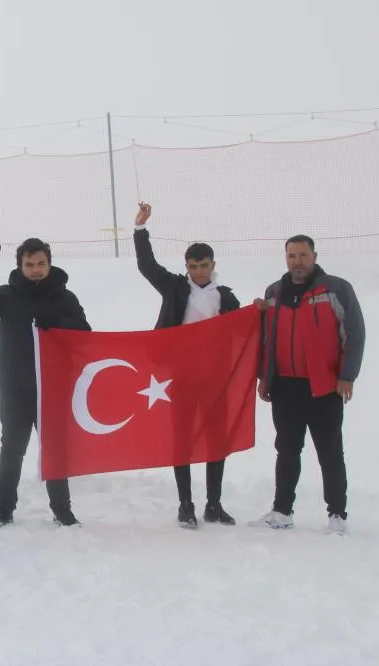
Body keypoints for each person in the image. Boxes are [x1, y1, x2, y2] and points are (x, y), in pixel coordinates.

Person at [131, 201, 240, 529]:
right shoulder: (176, 287)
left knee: (216, 440)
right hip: (181, 378)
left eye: (203, 265)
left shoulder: (226, 297)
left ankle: (214, 504)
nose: (198, 272)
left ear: (212, 264)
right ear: (187, 267)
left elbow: (246, 329)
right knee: (182, 439)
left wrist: (262, 310)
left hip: (214, 380)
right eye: (192, 266)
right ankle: (185, 505)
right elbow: (147, 266)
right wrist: (140, 229)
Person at [0, 238, 90, 529]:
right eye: (29, 265)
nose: (36, 270)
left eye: (41, 264)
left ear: (49, 264)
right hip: (15, 386)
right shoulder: (8, 295)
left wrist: (57, 320)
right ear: (20, 266)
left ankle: (62, 510)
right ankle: (4, 509)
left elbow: (85, 334)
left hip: (52, 387)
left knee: (54, 448)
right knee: (12, 447)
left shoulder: (65, 298)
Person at [251, 234, 365, 536]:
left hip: (324, 387)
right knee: (287, 449)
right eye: (291, 256)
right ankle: (282, 510)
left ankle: (337, 514)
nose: (297, 262)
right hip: (286, 387)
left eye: (302, 255)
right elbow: (266, 339)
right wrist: (266, 377)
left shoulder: (336, 289)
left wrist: (346, 376)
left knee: (329, 452)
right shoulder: (274, 292)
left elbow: (354, 334)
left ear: (314, 256)